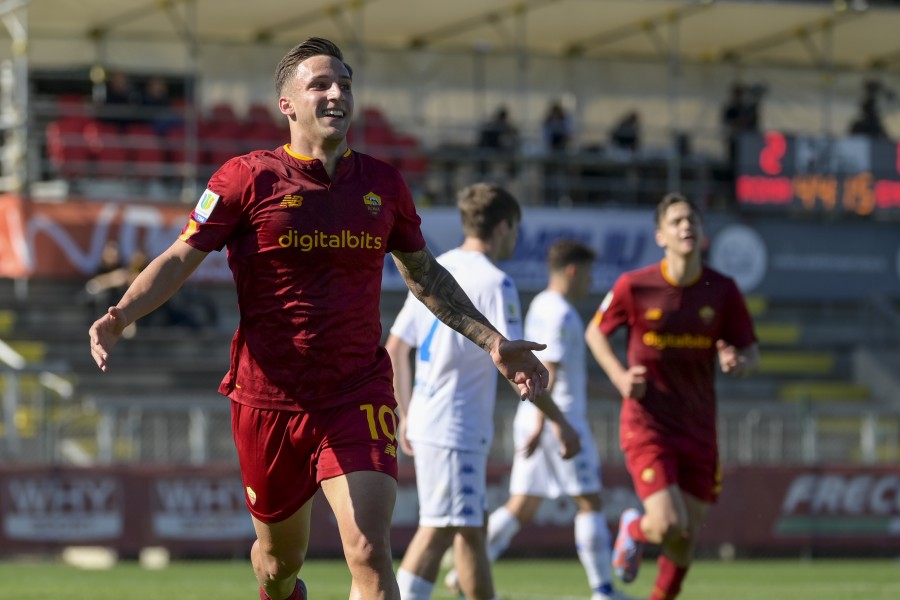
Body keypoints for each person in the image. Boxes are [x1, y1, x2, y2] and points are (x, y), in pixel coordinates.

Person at [88, 37, 551, 600]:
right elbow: (180, 257)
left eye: (346, 85)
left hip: (357, 389)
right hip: (268, 399)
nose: (337, 95)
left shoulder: (383, 185)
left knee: (370, 552)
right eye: (321, 85)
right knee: (279, 564)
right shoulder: (245, 178)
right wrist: (120, 314)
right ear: (287, 103)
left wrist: (493, 342)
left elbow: (423, 274)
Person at [386, 183, 580, 600]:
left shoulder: (434, 270)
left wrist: (406, 413)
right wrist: (561, 421)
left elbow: (396, 347)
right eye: (515, 230)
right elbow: (519, 366)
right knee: (439, 528)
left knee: (468, 528)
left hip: (433, 420)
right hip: (456, 425)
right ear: (505, 226)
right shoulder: (496, 282)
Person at [584, 193, 760, 600]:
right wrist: (619, 376)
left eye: (693, 220)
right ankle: (634, 527)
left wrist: (739, 362)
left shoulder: (723, 290)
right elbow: (595, 331)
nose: (687, 226)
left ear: (702, 233)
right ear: (660, 236)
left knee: (684, 536)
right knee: (665, 524)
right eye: (677, 221)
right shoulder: (634, 285)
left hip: (699, 429)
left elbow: (752, 352)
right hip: (649, 425)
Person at [442, 239, 632, 600]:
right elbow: (552, 375)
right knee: (589, 502)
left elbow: (560, 373)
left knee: (522, 505)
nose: (590, 282)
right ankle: (604, 590)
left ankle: (464, 570)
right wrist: (551, 426)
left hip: (536, 416)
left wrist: (615, 392)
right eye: (588, 273)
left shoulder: (543, 306)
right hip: (560, 420)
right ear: (573, 270)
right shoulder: (561, 312)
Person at [541, 101, 573, 205]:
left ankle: (563, 199)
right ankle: (548, 200)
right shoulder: (547, 121)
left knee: (562, 178)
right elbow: (544, 137)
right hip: (550, 154)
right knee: (549, 177)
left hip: (562, 153)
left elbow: (569, 136)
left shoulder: (565, 121)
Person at [476, 105, 519, 180]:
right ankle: (512, 175)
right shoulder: (500, 124)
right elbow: (513, 131)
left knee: (483, 163)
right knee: (513, 156)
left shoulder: (492, 123)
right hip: (494, 148)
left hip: (486, 148)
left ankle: (483, 173)